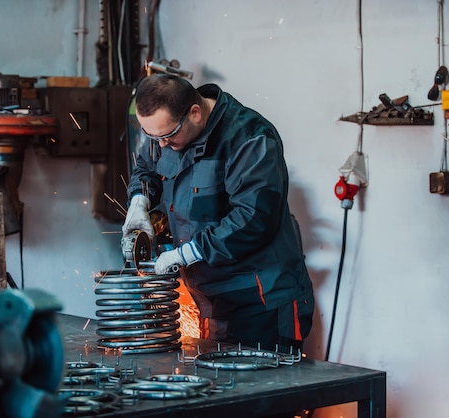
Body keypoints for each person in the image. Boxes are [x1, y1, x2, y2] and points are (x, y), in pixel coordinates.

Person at [122, 73, 314, 352]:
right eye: (152, 136)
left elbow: (253, 219)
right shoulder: (168, 132)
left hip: (262, 304)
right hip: (211, 302)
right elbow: (146, 167)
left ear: (195, 113)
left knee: (260, 392)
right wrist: (139, 200)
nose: (160, 144)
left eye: (166, 135)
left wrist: (186, 254)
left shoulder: (249, 137)